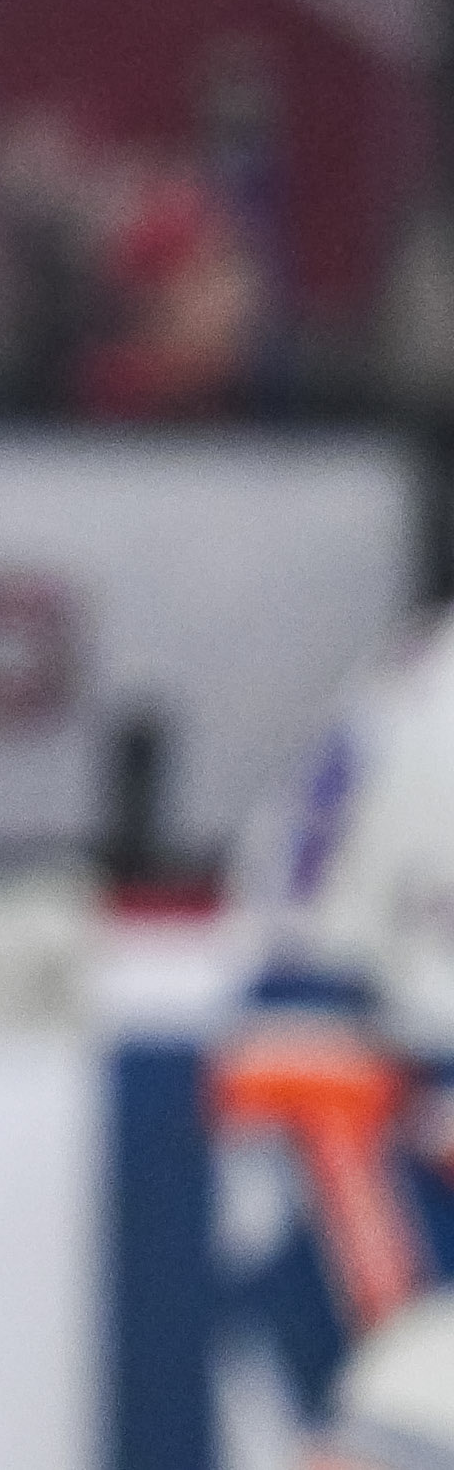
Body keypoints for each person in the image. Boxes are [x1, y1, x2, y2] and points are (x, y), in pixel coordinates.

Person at [208, 611, 454, 1455]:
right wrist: (394, 1330)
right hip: (395, 1128)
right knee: (408, 1408)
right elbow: (295, 1023)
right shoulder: (426, 710)